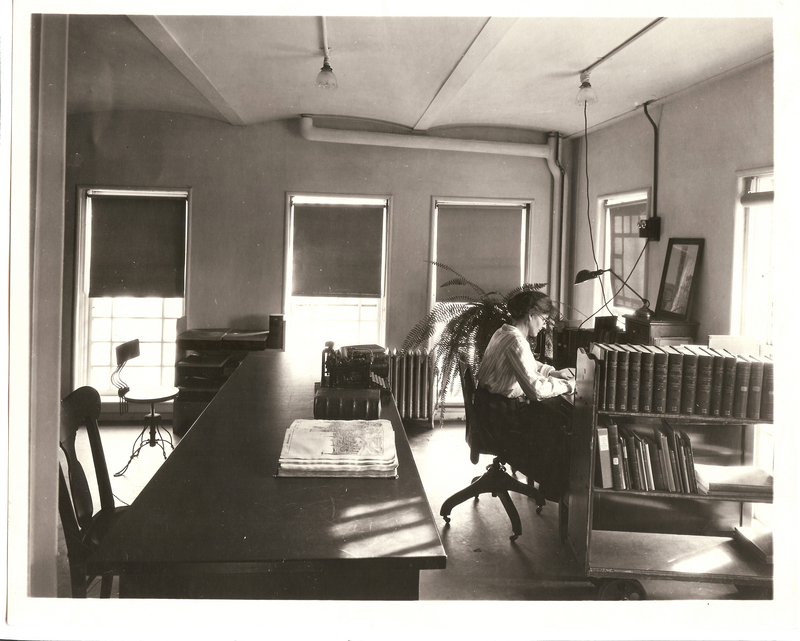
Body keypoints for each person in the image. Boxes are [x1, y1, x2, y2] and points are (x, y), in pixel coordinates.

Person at [475, 290, 575, 501]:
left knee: (550, 420)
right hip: (499, 417)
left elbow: (527, 365)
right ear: (531, 315)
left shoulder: (505, 332)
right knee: (559, 431)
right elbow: (536, 389)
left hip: (489, 410)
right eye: (543, 319)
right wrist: (568, 386)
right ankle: (555, 492)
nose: (544, 325)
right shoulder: (516, 341)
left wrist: (553, 372)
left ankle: (551, 488)